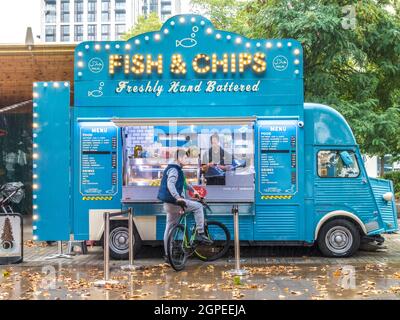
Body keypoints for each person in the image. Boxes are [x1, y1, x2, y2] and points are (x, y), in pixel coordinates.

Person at [158, 148, 212, 260]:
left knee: (169, 228)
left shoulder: (175, 168)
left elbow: (185, 184)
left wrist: (194, 192)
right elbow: (170, 184)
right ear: (179, 158)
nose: (187, 159)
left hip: (168, 203)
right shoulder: (174, 169)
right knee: (198, 206)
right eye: (185, 157)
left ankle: (167, 255)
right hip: (175, 202)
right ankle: (200, 233)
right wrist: (177, 197)